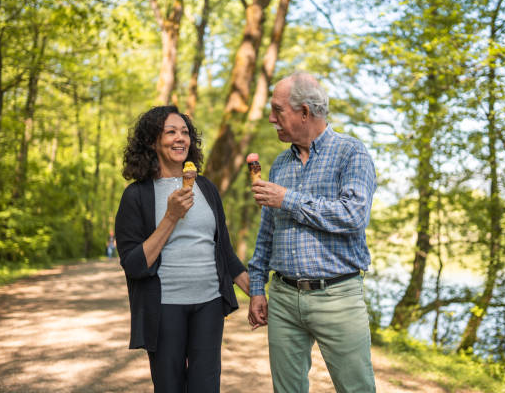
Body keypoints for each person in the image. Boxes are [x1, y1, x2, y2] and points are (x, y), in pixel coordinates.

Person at [247, 72, 377, 392]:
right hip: (283, 298)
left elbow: (353, 216)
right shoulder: (279, 164)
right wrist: (257, 287)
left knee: (356, 389)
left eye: (278, 110)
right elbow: (267, 232)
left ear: (304, 112)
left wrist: (286, 199)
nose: (271, 118)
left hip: (337, 297)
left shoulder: (351, 152)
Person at [115, 105, 249, 393]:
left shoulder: (207, 188)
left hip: (209, 303)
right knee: (169, 387)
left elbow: (224, 252)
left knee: (206, 387)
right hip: (164, 308)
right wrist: (171, 216)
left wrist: (259, 292)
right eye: (171, 132)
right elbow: (134, 264)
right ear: (152, 141)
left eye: (185, 132)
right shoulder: (136, 195)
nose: (180, 138)